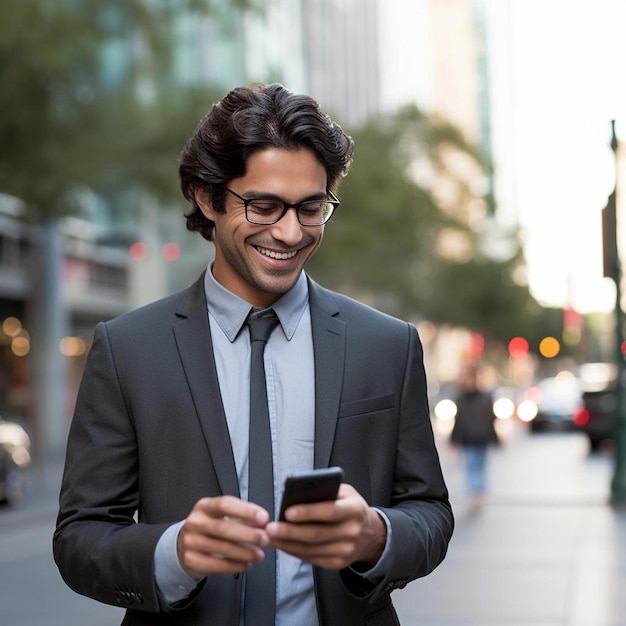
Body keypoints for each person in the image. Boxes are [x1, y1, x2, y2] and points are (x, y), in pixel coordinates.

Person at [54, 83, 454, 625]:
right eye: (263, 205)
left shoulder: (387, 346)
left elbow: (430, 513)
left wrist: (375, 536)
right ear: (206, 196)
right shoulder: (127, 350)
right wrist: (175, 552)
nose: (290, 233)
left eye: (311, 208)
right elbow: (81, 539)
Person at [450, 362, 499, 511]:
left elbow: (490, 420)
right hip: (473, 439)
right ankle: (478, 495)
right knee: (476, 468)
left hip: (477, 439)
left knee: (476, 468)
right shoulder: (467, 398)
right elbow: (459, 422)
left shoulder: (469, 398)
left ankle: (477, 495)